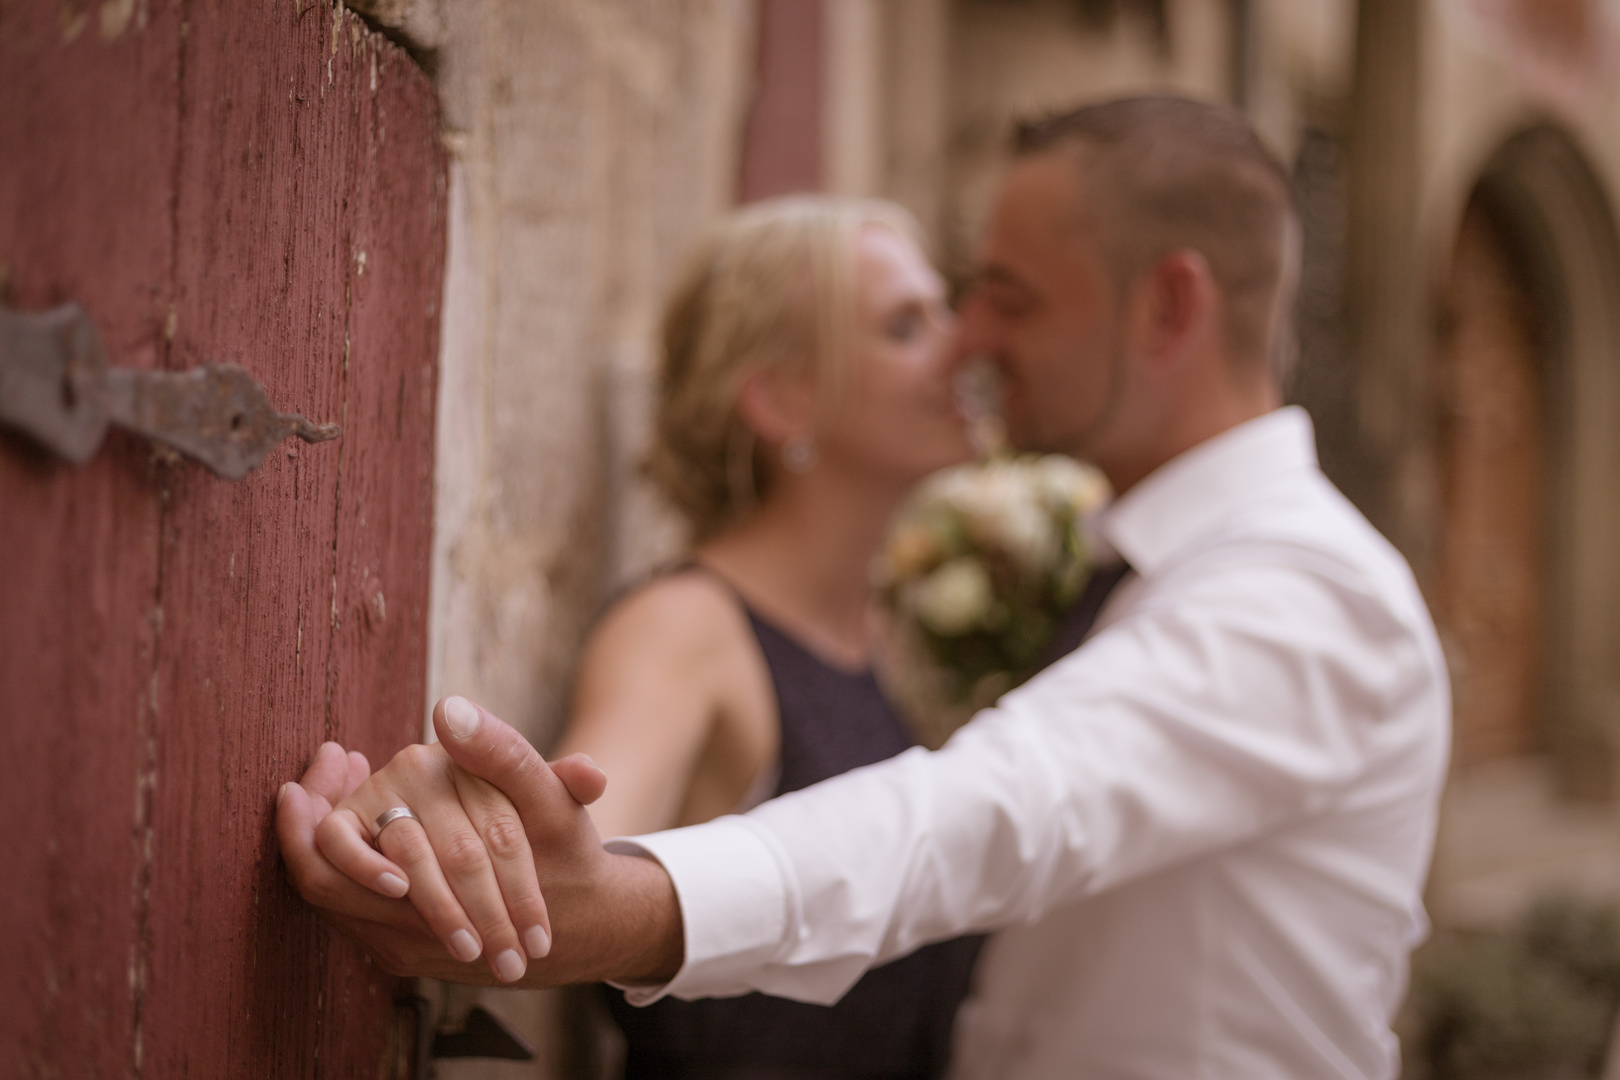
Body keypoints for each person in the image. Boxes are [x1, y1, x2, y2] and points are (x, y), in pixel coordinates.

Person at [279, 96, 1451, 1079]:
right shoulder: (705, 623)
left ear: (1170, 308)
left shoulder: (1304, 595)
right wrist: (465, 842)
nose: (968, 341)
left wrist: (616, 904)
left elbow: (1000, 807)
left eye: (1009, 295)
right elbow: (594, 829)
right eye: (925, 312)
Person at [297, 196, 987, 1078]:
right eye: (905, 325)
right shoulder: (684, 631)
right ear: (782, 401)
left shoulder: (878, 629)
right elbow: (562, 880)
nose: (962, 344)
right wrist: (428, 831)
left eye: (943, 310)